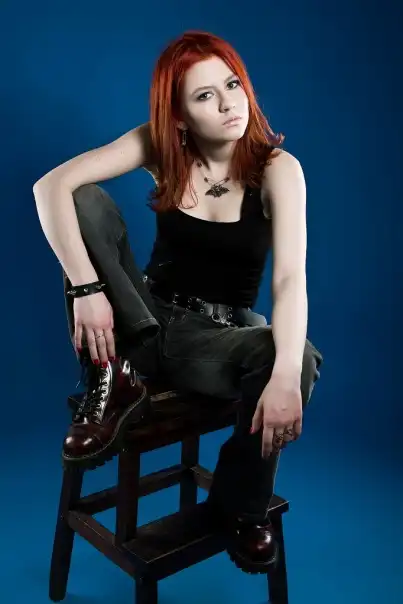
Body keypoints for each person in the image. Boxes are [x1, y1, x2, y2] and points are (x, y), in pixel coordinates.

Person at [33, 30, 323, 575]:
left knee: (295, 356)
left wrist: (286, 374)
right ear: (181, 117)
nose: (229, 103)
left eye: (232, 85)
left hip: (215, 342)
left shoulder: (277, 169)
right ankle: (113, 377)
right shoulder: (163, 146)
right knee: (84, 198)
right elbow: (51, 187)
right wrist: (87, 289)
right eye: (205, 95)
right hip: (141, 318)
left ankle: (242, 506)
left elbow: (289, 281)